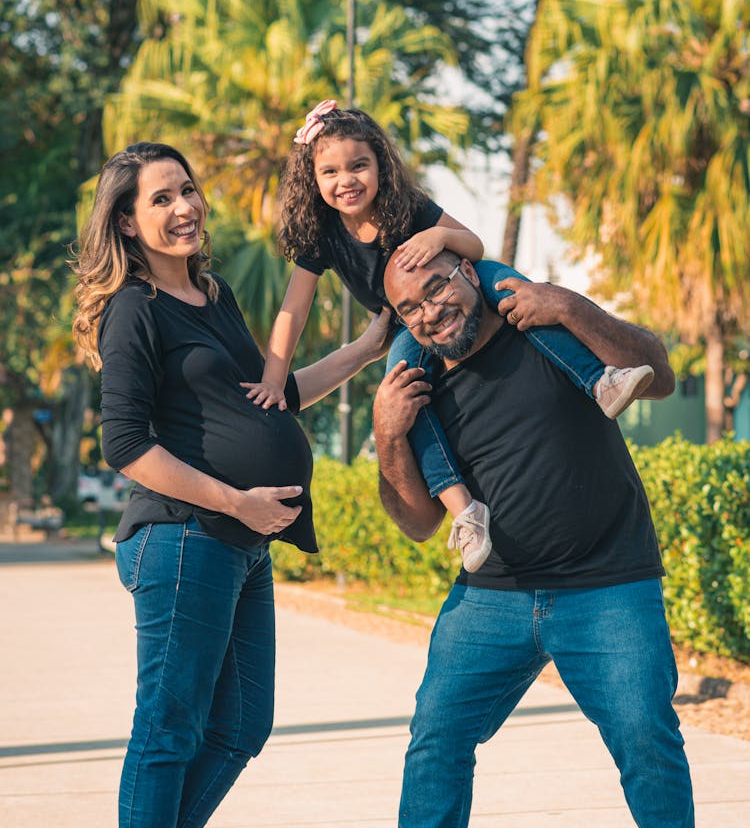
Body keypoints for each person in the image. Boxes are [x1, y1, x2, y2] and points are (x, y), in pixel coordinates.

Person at [71, 141, 389, 828]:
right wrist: (235, 500)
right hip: (183, 537)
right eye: (160, 199)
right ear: (128, 224)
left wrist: (364, 348)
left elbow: (271, 396)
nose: (183, 208)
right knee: (168, 729)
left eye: (187, 190)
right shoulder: (136, 310)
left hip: (242, 547)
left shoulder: (214, 295)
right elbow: (126, 445)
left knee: (242, 724)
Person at [354, 249, 717, 828]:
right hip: (492, 595)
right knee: (438, 733)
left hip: (609, 581)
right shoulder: (419, 383)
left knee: (646, 732)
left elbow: (660, 375)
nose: (432, 313)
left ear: (469, 274)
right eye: (412, 308)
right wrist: (387, 431)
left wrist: (570, 306)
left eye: (439, 290)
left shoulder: (540, 324)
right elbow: (421, 523)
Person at [244, 100, 654, 575]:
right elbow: (293, 311)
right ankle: (465, 511)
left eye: (359, 165)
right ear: (312, 180)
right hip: (407, 322)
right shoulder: (322, 234)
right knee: (403, 392)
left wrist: (438, 239)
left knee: (521, 297)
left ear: (379, 163)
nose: (347, 180)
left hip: (465, 278)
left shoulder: (407, 206)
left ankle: (599, 379)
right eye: (330, 171)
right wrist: (274, 381)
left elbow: (474, 246)